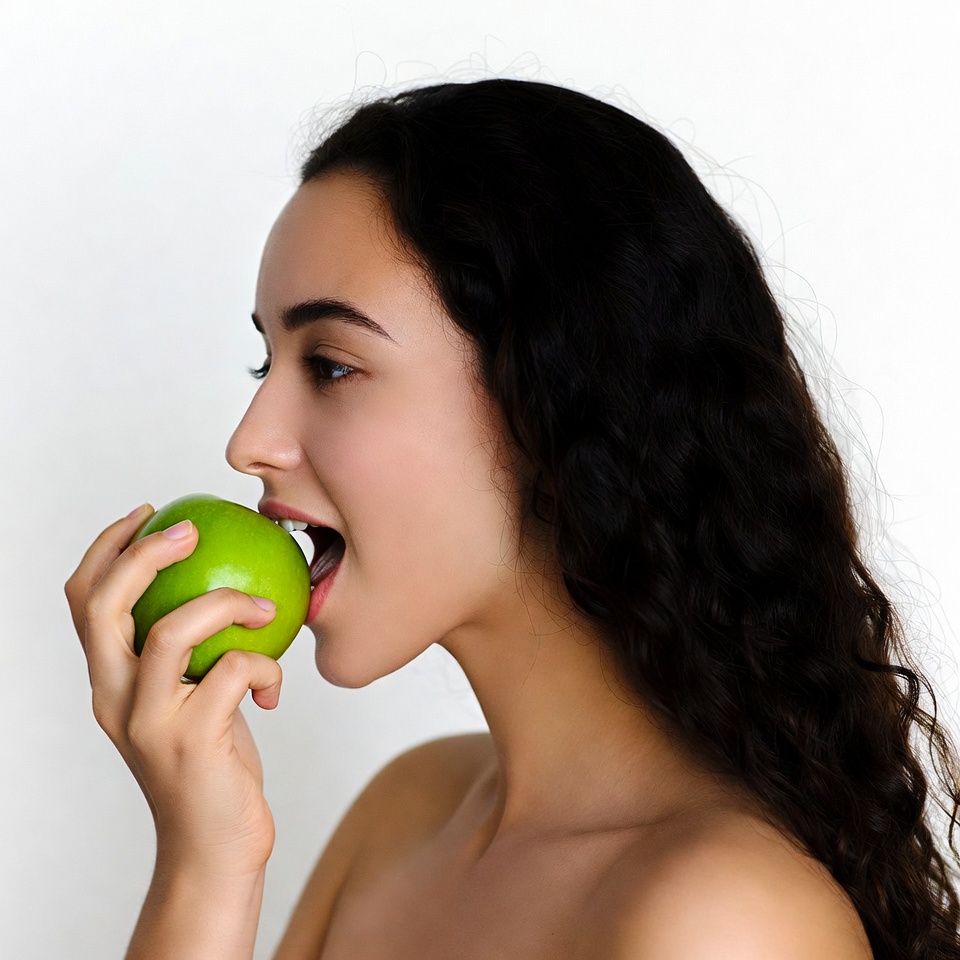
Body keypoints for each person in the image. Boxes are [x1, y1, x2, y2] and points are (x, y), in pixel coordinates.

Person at [65, 78, 960, 959]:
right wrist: (206, 862)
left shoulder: (722, 920)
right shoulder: (406, 810)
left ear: (552, 398)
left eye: (331, 365)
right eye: (268, 366)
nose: (248, 443)